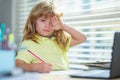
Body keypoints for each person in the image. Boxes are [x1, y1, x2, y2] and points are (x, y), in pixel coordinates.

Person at [16, 1, 87, 73]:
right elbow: (18, 64)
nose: (48, 26)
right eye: (43, 20)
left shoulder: (59, 40)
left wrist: (63, 26)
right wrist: (35, 67)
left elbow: (82, 38)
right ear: (33, 22)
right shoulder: (29, 42)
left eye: (51, 22)